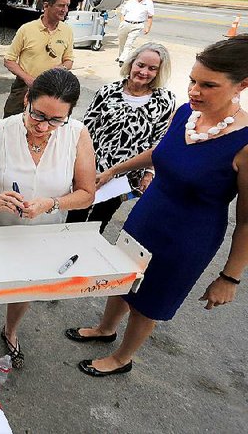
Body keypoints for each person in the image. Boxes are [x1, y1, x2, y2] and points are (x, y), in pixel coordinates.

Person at [66, 35, 248, 377]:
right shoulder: (185, 113)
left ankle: (122, 357)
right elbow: (161, 153)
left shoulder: (244, 143)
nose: (194, 91)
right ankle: (106, 329)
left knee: (148, 300)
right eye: (192, 81)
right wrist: (113, 171)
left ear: (242, 85)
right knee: (124, 280)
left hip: (186, 237)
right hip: (147, 216)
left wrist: (230, 278)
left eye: (208, 85)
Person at [0, 68, 95, 368]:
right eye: (39, 115)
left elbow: (87, 193)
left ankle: (11, 331)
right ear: (27, 101)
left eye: (57, 119)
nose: (45, 127)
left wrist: (53, 203)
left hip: (43, 235)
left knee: (25, 288)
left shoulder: (77, 135)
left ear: (69, 115)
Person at [66, 43, 175, 233]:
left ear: (159, 72)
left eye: (152, 68)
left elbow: (159, 141)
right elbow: (86, 129)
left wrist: (149, 173)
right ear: (131, 63)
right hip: (91, 169)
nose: (144, 72)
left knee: (98, 223)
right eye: (140, 65)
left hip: (124, 177)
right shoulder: (108, 91)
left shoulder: (165, 101)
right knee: (75, 216)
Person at [3, 0, 74, 118]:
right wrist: (28, 78)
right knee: (11, 125)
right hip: (23, 87)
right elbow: (9, 60)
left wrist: (61, 68)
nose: (65, 10)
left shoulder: (67, 31)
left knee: (42, 130)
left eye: (67, 5)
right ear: (46, 5)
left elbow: (69, 60)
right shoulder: (26, 29)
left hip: (52, 90)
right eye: (61, 5)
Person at [116, 0, 154, 66]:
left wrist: (148, 28)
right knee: (122, 42)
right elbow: (123, 14)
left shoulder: (149, 3)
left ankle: (123, 60)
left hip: (137, 25)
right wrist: (122, 23)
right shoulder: (130, 2)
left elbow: (150, 17)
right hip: (126, 24)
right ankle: (121, 56)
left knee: (129, 43)